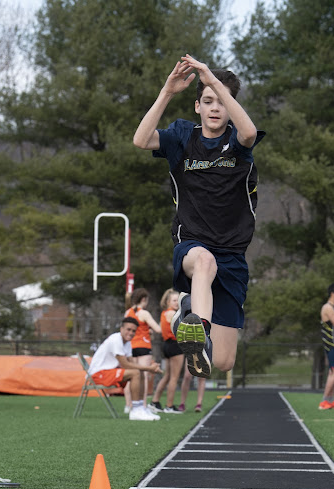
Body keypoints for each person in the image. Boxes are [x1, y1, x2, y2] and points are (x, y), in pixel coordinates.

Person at [133, 54, 265, 379]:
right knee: (205, 261)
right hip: (193, 245)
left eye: (221, 101)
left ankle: (190, 311)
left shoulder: (237, 142)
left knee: (223, 362)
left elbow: (249, 132)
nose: (215, 108)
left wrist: (213, 82)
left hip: (232, 255)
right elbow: (141, 139)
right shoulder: (182, 137)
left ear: (231, 106)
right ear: (197, 107)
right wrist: (167, 91)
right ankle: (197, 329)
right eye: (207, 101)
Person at [88, 317, 162, 421]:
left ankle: (141, 407)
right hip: (98, 374)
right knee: (135, 373)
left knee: (139, 372)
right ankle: (135, 410)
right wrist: (149, 368)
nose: (131, 333)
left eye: (133, 331)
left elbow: (132, 363)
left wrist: (149, 368)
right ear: (121, 329)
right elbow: (125, 364)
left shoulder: (127, 343)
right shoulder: (116, 340)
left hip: (109, 371)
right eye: (128, 329)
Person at [125, 288, 162, 409]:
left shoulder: (128, 312)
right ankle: (143, 405)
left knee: (132, 376)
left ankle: (129, 405)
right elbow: (158, 329)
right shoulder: (144, 313)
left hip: (131, 346)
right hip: (143, 346)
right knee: (143, 376)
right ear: (144, 299)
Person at [150, 289, 185, 413]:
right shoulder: (172, 313)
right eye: (174, 300)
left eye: (178, 300)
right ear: (168, 302)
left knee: (167, 376)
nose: (177, 303)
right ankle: (169, 406)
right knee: (174, 378)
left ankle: (155, 402)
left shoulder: (164, 313)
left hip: (167, 345)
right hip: (175, 345)